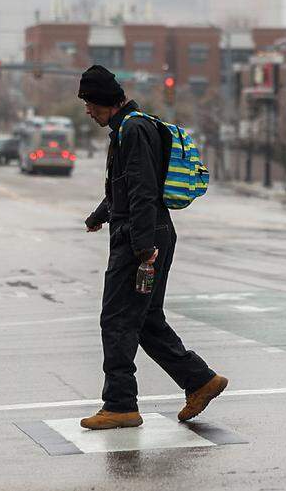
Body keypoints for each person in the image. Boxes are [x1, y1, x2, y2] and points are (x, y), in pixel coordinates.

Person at [77, 64, 227, 430]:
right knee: (144, 321)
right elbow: (126, 187)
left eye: (89, 103)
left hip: (142, 238)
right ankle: (199, 380)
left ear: (104, 102)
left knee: (116, 320)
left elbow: (143, 191)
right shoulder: (128, 128)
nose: (87, 111)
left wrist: (143, 249)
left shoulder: (135, 130)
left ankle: (120, 405)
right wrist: (100, 214)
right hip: (145, 233)